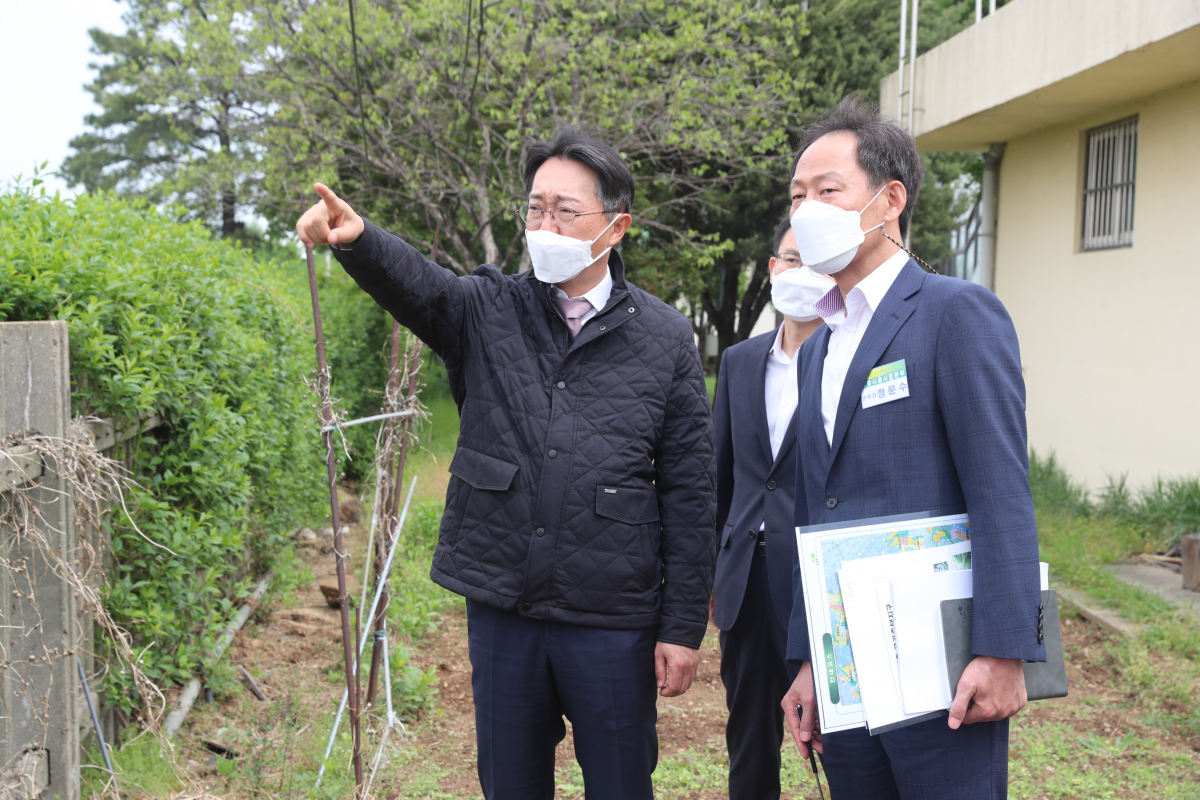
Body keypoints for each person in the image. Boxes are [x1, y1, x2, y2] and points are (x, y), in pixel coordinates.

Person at [295, 129, 717, 800]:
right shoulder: (491, 307)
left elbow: (692, 491)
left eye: (564, 211)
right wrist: (359, 239)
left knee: (620, 780)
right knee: (511, 783)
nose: (545, 225)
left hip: (613, 616)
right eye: (535, 208)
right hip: (505, 607)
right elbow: (424, 290)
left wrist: (682, 627)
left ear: (616, 226)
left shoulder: (664, 337)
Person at [780, 96, 1045, 799]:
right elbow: (815, 511)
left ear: (889, 199)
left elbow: (999, 489)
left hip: (945, 674)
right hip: (851, 677)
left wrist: (1005, 649)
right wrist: (808, 659)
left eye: (827, 191)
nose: (806, 211)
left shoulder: (955, 313)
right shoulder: (820, 348)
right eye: (797, 196)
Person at [711, 218, 833, 800]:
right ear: (772, 269)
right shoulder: (739, 361)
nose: (798, 272)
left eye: (812, 261)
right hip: (745, 578)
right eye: (789, 259)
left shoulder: (847, 357)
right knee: (750, 738)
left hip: (817, 580)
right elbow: (721, 473)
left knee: (834, 736)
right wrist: (710, 569)